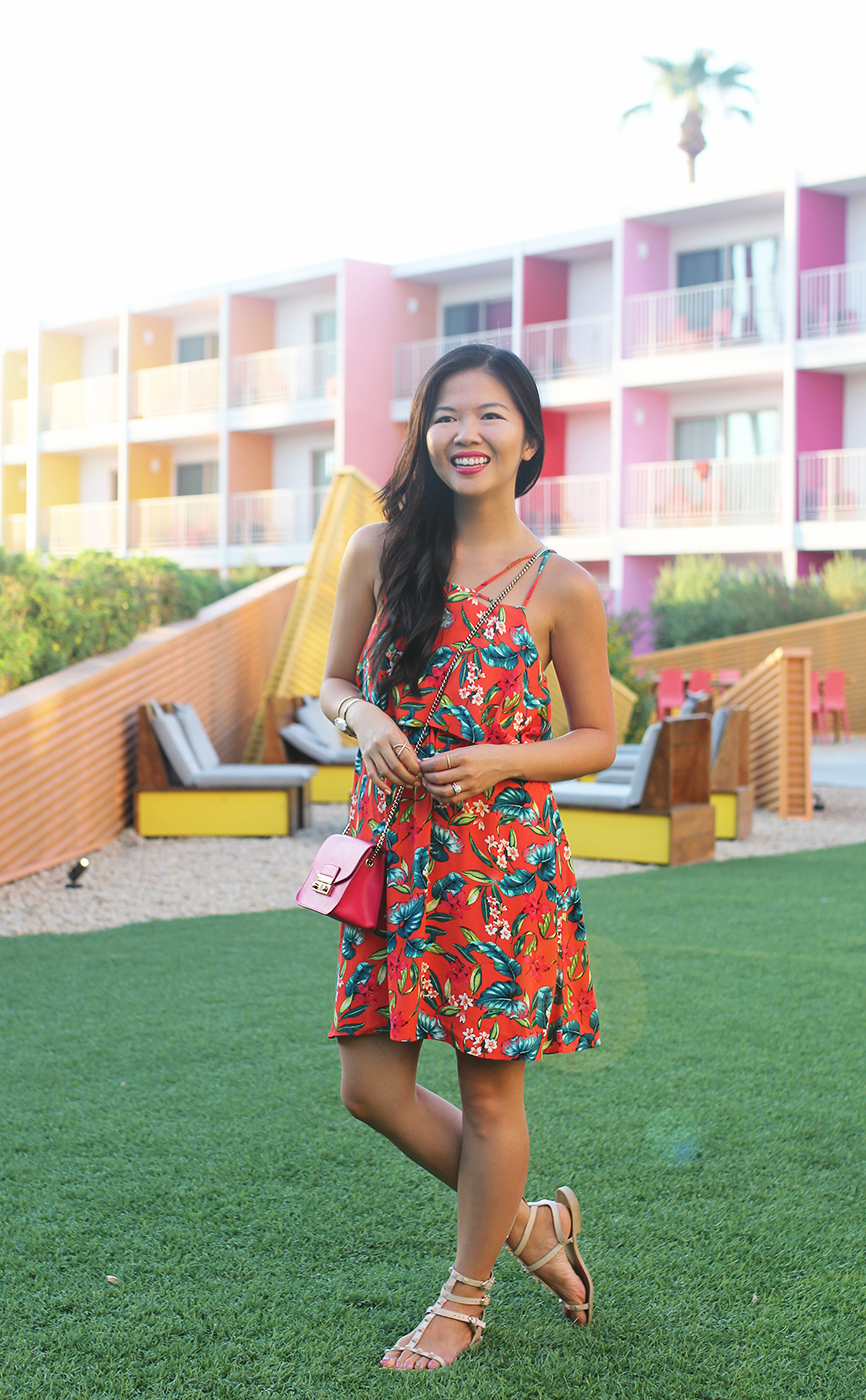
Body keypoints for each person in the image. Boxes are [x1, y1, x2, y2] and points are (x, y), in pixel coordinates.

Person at [319, 342, 616, 1370]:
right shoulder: (377, 549)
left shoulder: (560, 585)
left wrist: (503, 759)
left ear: (529, 439)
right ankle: (533, 1226)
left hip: (500, 867)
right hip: (391, 856)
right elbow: (326, 684)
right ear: (424, 434)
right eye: (447, 415)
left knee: (491, 1094)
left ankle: (465, 1296)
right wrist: (362, 716)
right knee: (369, 1084)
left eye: (490, 416)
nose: (467, 434)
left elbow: (597, 736)